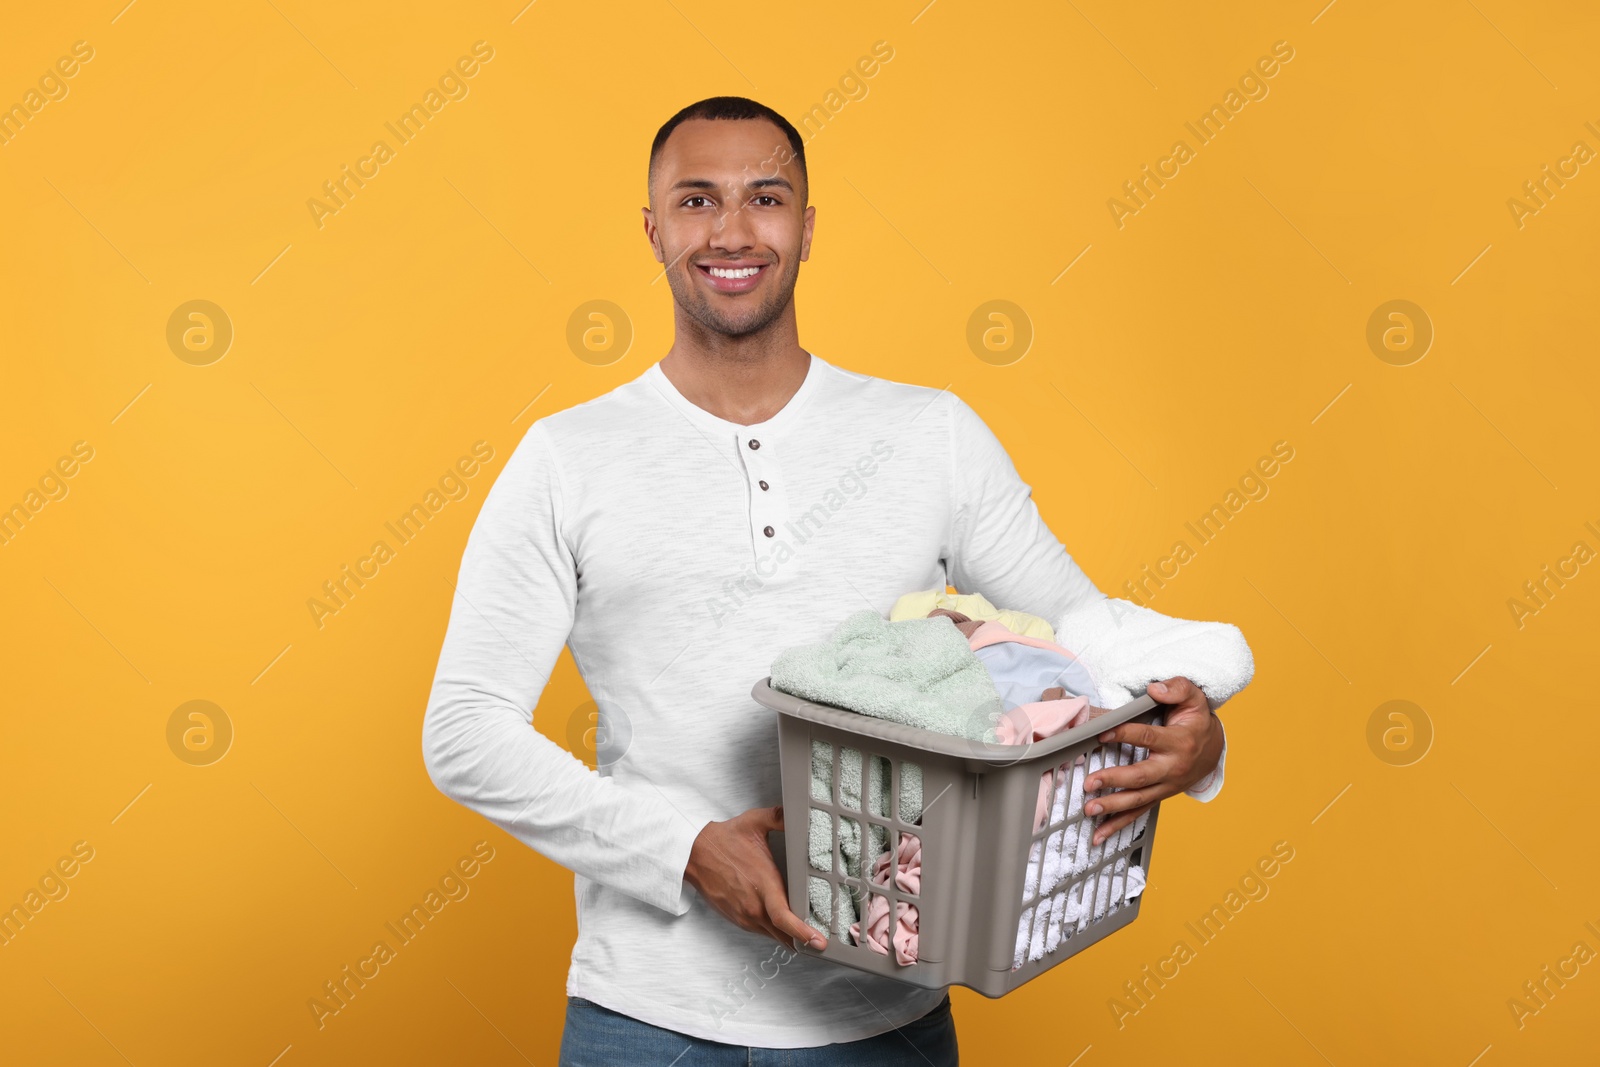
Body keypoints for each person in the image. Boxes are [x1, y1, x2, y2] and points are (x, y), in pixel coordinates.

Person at [421, 95, 1227, 1066]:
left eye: (765, 197)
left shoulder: (929, 435)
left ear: (806, 227)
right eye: (695, 200)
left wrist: (1195, 728)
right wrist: (683, 847)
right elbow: (464, 727)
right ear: (652, 230)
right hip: (644, 1014)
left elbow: (1086, 639)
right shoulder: (567, 458)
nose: (730, 230)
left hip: (879, 1017)